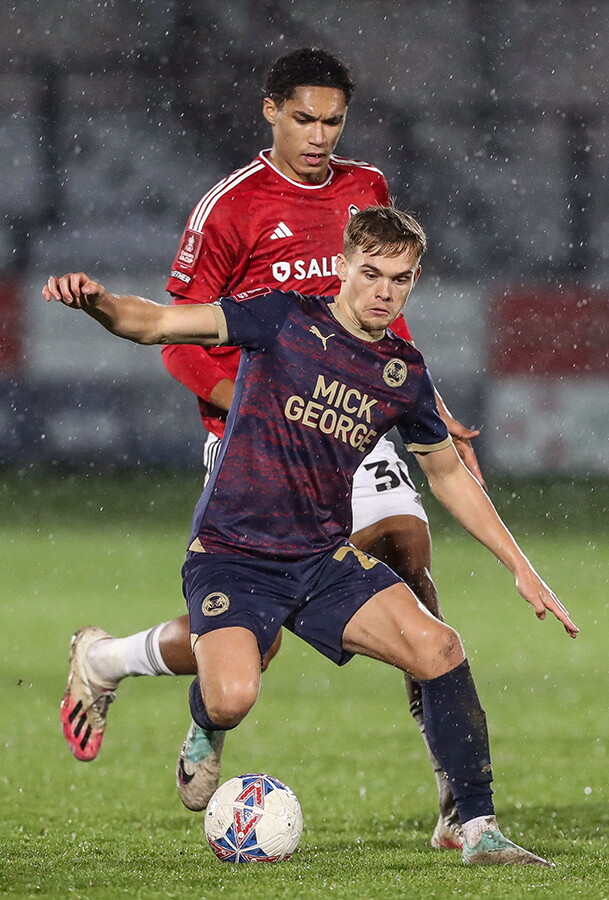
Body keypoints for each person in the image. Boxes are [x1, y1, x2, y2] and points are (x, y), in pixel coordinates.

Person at [44, 206, 578, 867]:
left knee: (438, 647)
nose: (384, 292)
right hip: (233, 555)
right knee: (233, 696)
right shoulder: (281, 318)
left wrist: (518, 566)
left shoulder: (403, 373)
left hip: (322, 560)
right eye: (371, 274)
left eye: (401, 280)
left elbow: (447, 476)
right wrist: (97, 303)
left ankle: (476, 829)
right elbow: (154, 323)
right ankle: (206, 716)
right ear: (342, 267)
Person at [59, 48, 483, 849]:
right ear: (270, 112)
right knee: (256, 643)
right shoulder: (230, 208)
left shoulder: (366, 192)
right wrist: (282, 406)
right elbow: (180, 343)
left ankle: (457, 803)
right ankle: (118, 665)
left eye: (332, 121)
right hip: (257, 438)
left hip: (354, 421)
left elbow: (380, 318)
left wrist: (427, 407)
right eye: (303, 119)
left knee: (411, 567)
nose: (319, 136)